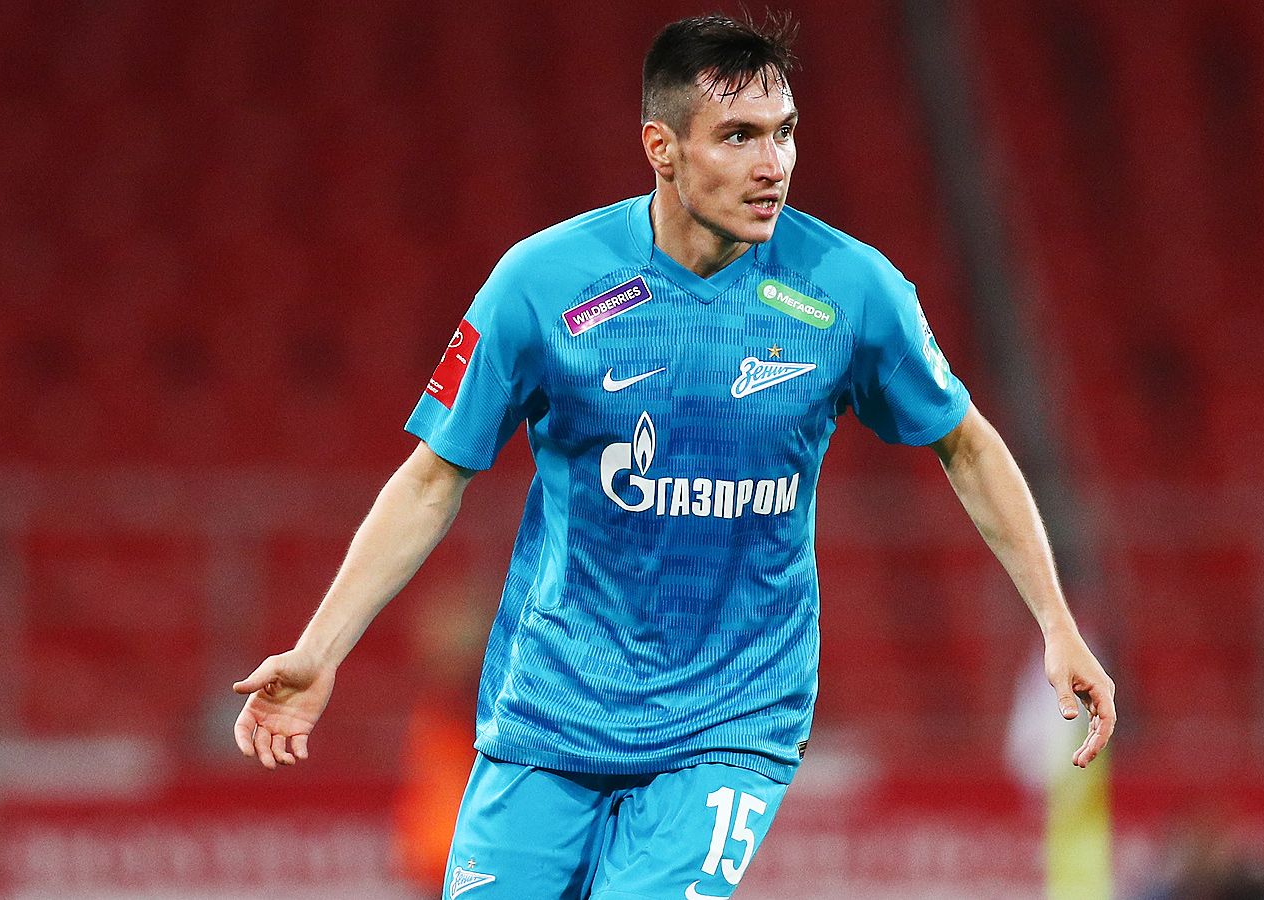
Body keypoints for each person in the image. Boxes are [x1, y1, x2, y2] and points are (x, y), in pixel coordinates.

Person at [232, 12, 1116, 899]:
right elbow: (432, 477)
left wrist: (1056, 621)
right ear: (662, 147)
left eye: (784, 133)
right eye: (738, 137)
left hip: (731, 719)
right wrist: (319, 651)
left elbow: (967, 444)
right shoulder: (543, 283)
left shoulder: (851, 289)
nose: (772, 164)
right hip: (552, 708)